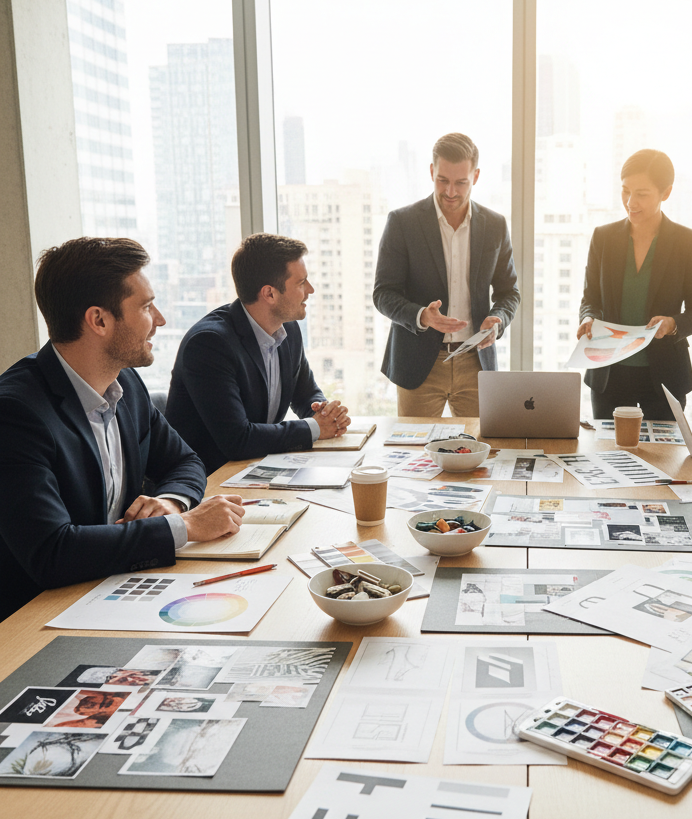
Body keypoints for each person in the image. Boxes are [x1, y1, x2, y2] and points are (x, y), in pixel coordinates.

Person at [0, 237, 244, 621]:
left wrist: (171, 503)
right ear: (98, 320)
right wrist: (182, 526)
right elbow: (51, 552)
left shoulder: (126, 384)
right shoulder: (15, 412)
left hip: (118, 589)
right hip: (40, 616)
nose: (160, 319)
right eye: (146, 307)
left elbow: (184, 461)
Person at [166, 233, 350, 474]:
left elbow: (306, 394)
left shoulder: (288, 329)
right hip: (209, 481)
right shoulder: (209, 344)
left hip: (256, 469)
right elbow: (238, 439)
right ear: (270, 294)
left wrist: (325, 413)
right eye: (301, 283)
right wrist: (314, 428)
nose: (311, 290)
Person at [373, 132, 520, 416]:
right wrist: (422, 316)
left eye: (461, 182)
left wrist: (499, 320)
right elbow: (383, 293)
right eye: (443, 180)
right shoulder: (402, 223)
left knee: (480, 450)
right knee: (414, 456)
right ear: (431, 171)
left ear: (475, 176)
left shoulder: (495, 225)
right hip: (417, 365)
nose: (451, 192)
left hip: (475, 363)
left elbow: (509, 292)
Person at [577, 149, 692, 420]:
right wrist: (589, 317)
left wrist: (672, 324)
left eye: (642, 194)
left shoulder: (688, 242)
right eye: (625, 191)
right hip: (609, 373)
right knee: (607, 457)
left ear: (666, 192)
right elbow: (591, 298)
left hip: (663, 377)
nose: (630, 202)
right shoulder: (603, 237)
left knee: (662, 460)